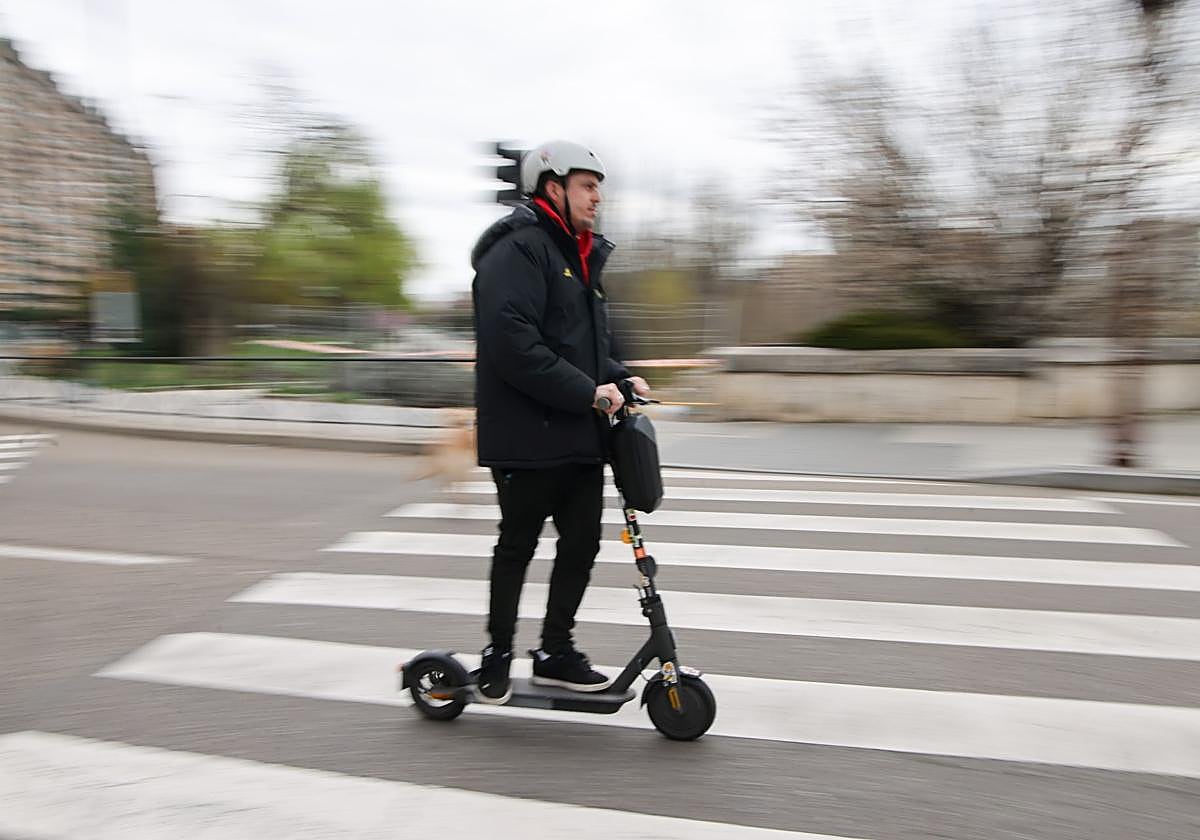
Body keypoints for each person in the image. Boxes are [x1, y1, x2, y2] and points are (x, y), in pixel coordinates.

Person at [469, 139, 649, 704]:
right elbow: (513, 344)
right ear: (553, 188)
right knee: (517, 545)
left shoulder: (580, 254)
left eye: (598, 188)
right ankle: (497, 651)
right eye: (587, 186)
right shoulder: (518, 252)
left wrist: (620, 378)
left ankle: (554, 650)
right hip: (524, 432)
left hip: (576, 430)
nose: (597, 197)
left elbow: (585, 346)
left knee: (581, 545)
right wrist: (589, 392)